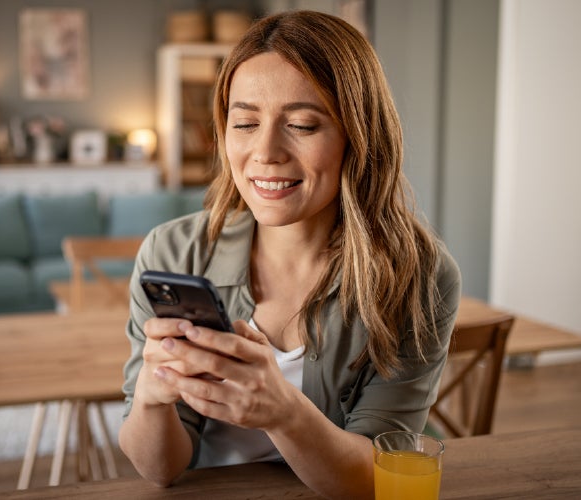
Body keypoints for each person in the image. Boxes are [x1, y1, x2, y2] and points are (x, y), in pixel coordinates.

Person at [118, 10, 461, 499]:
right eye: (244, 123)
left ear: (359, 138)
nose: (265, 152)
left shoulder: (419, 277)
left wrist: (283, 410)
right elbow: (158, 471)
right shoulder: (172, 252)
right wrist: (152, 400)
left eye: (301, 124)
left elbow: (380, 477)